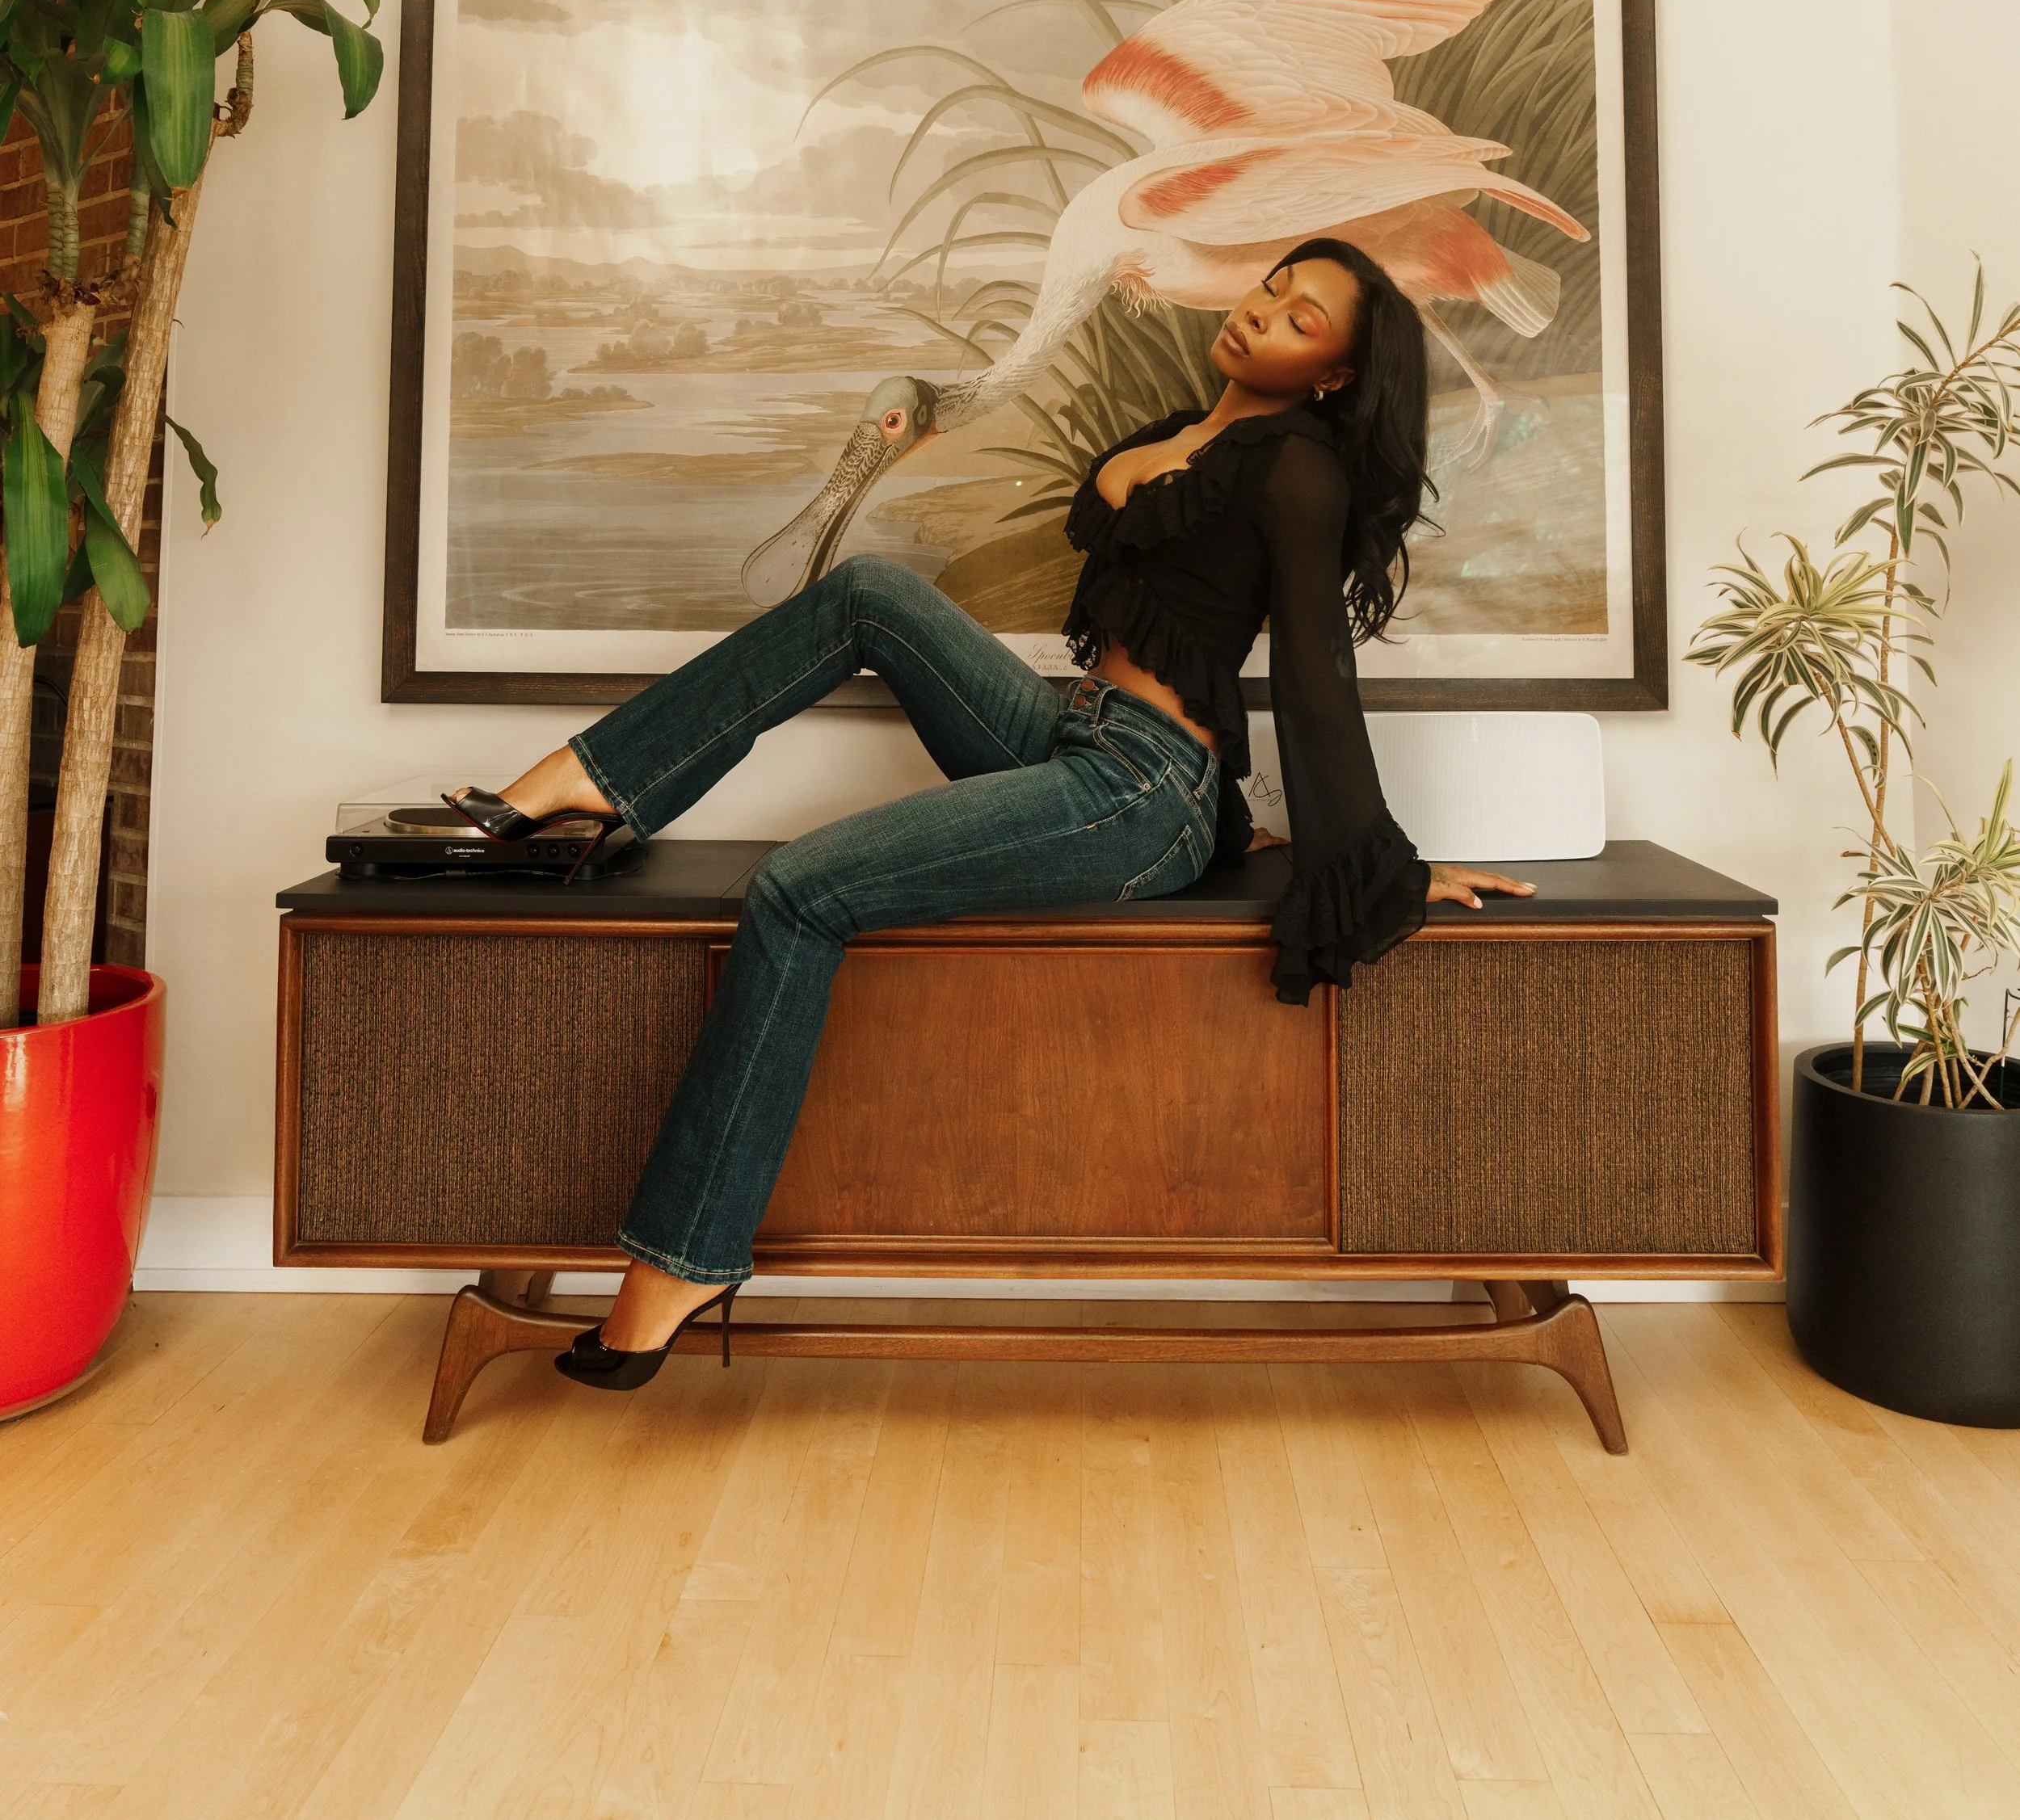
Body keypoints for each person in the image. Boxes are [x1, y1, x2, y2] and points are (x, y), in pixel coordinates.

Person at [448, 236, 1532, 1389]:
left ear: (1332, 374)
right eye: (1273, 287)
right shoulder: (1178, 432)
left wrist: (1378, 865)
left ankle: (686, 1255)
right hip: (1079, 736)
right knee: (869, 594)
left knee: (798, 890)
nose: (1264, 314)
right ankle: (593, 780)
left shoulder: (1297, 467)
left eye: (1302, 318)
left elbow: (1317, 670)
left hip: (1138, 792)